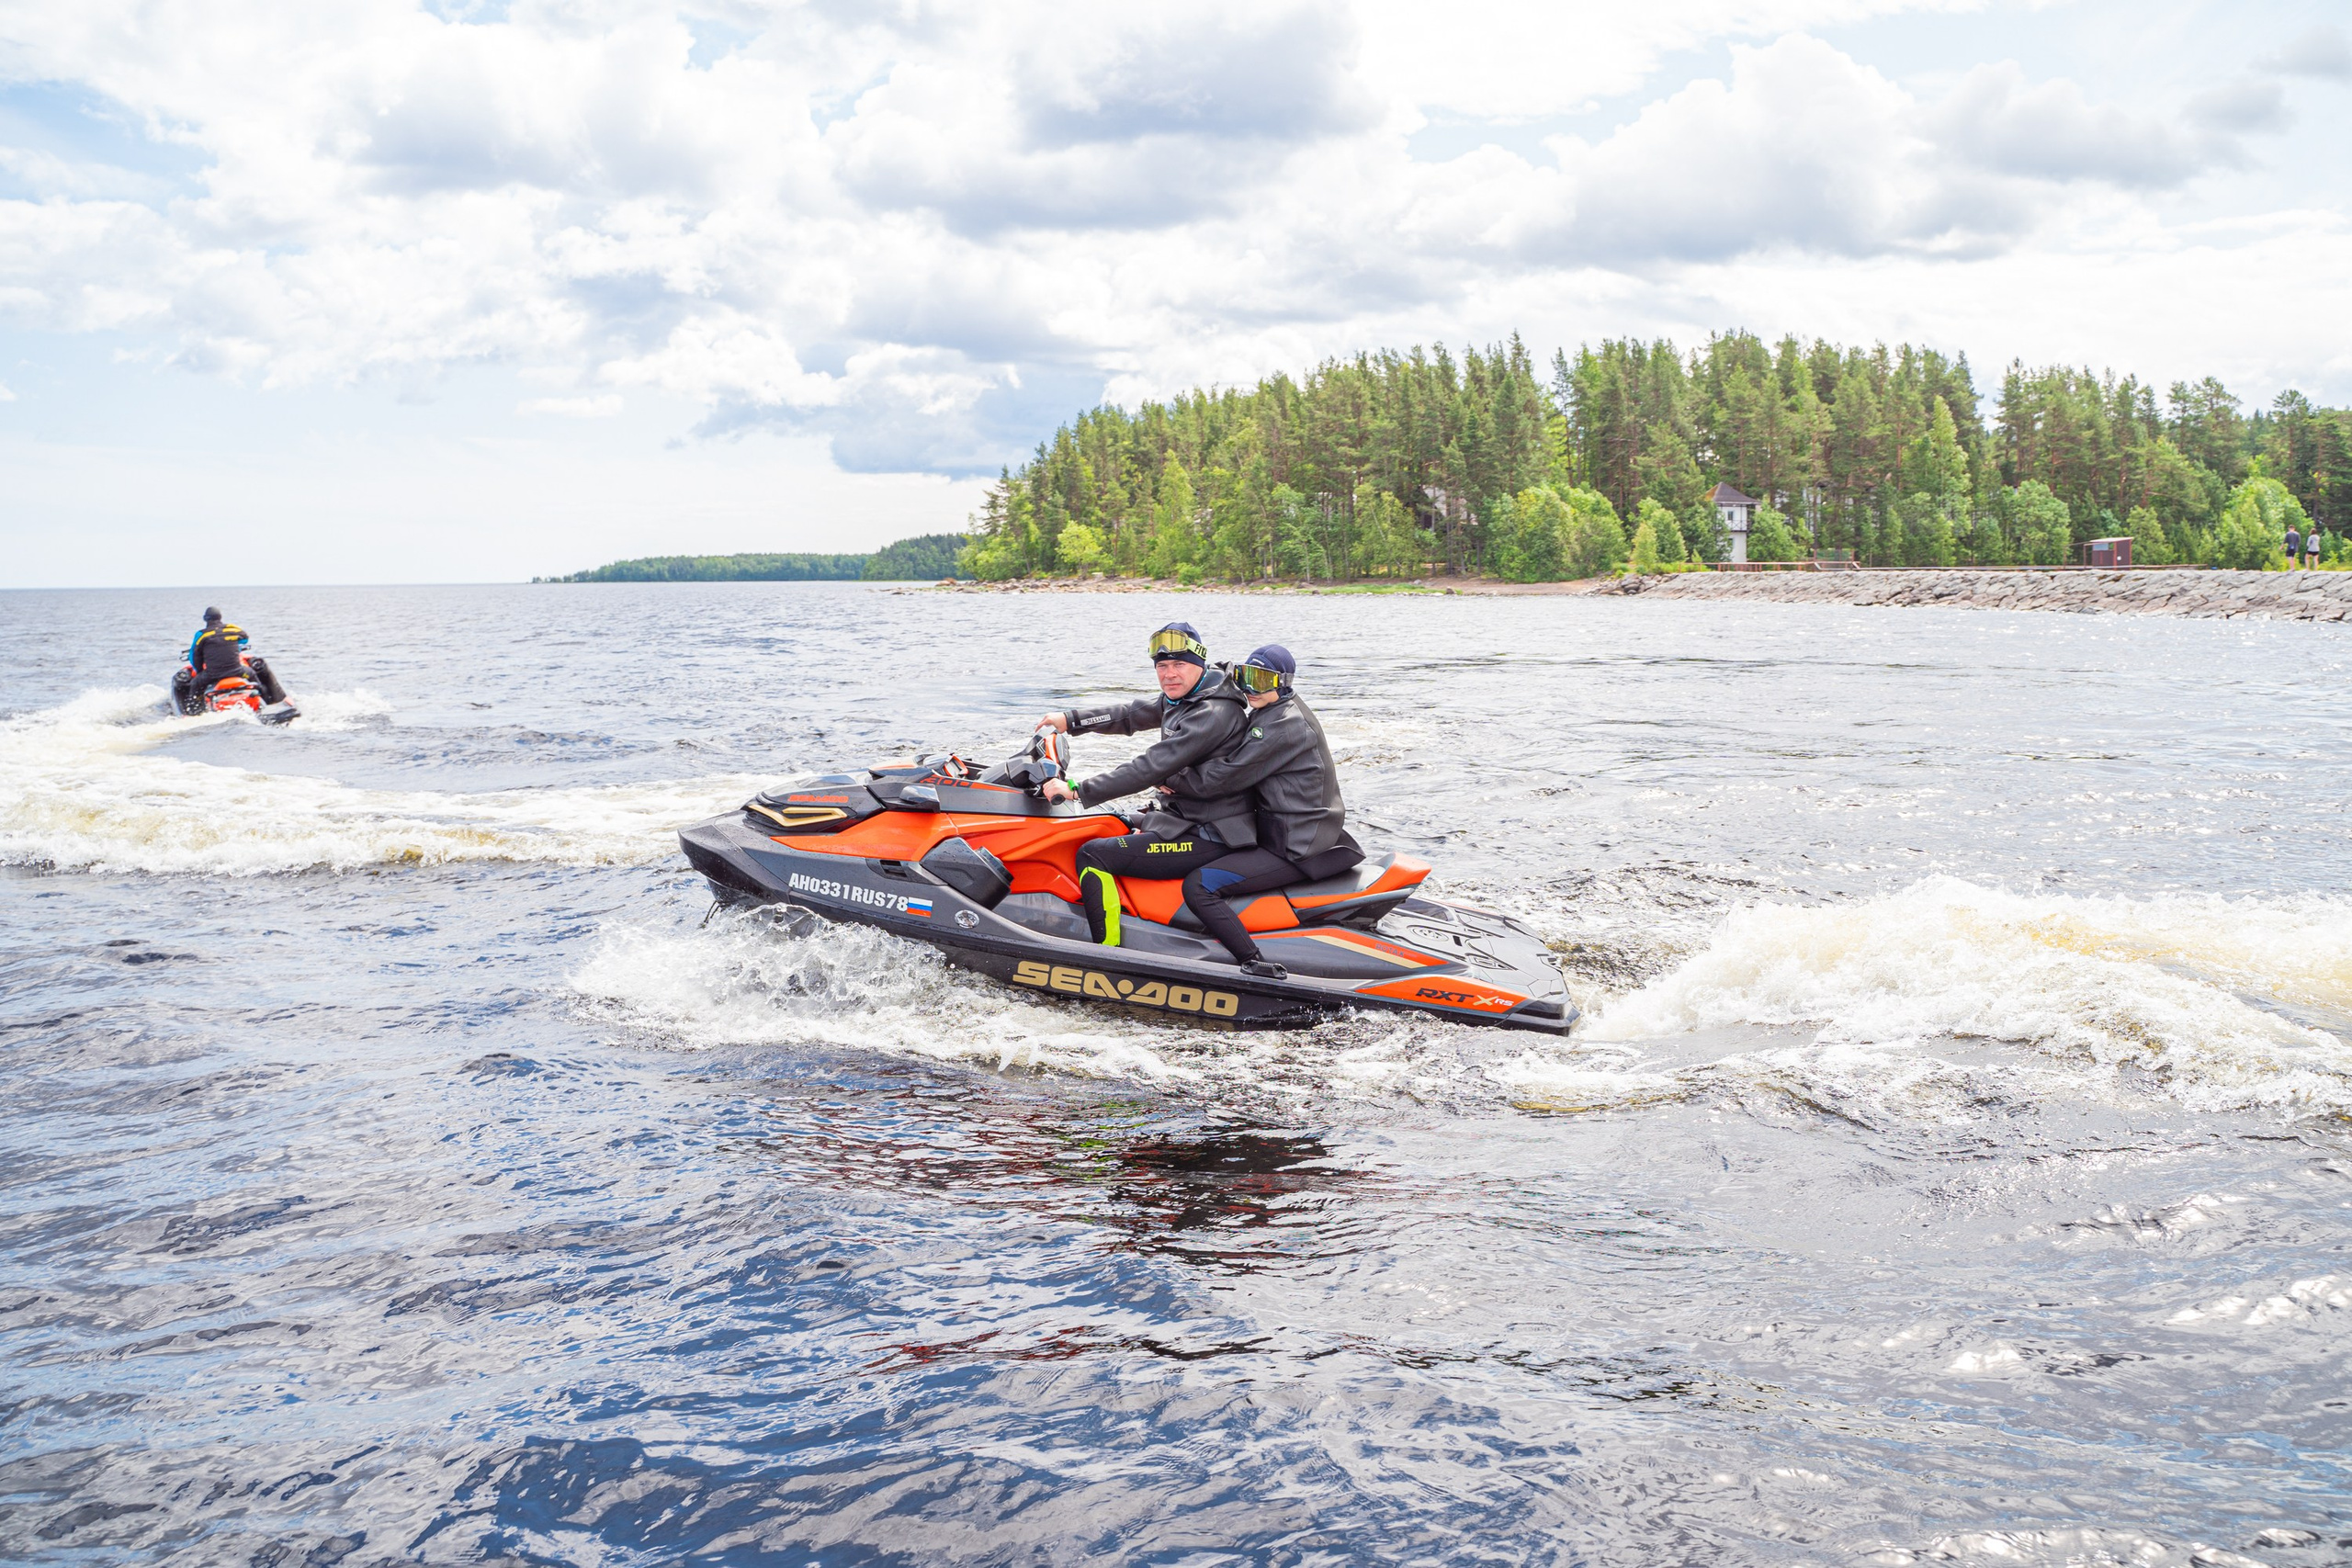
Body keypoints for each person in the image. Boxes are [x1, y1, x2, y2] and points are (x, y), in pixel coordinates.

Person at [1035, 623, 1255, 958]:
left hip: (1211, 835)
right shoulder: (1187, 696)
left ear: (1200, 664)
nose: (1169, 674)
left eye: (1178, 665)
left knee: (1094, 853)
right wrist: (1071, 719)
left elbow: (1150, 767)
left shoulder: (1213, 712)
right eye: (1162, 666)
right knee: (1109, 821)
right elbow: (1130, 716)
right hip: (1185, 817)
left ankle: (1107, 954)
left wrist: (1077, 789)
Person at [1162, 645, 1363, 978]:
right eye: (1246, 677)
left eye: (1261, 679)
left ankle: (1254, 962)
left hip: (1295, 845)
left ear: (1282, 682)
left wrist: (1166, 774)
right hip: (1285, 828)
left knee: (1201, 884)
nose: (1251, 688)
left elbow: (1224, 777)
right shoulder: (1272, 709)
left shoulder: (1281, 725)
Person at [174, 607, 288, 713]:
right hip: (238, 671)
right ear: (220, 617)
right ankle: (269, 701)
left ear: (205, 619)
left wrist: (199, 672)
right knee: (254, 676)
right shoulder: (232, 628)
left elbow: (195, 656)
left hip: (213, 674)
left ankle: (194, 711)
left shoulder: (201, 634)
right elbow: (244, 639)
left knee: (195, 684)